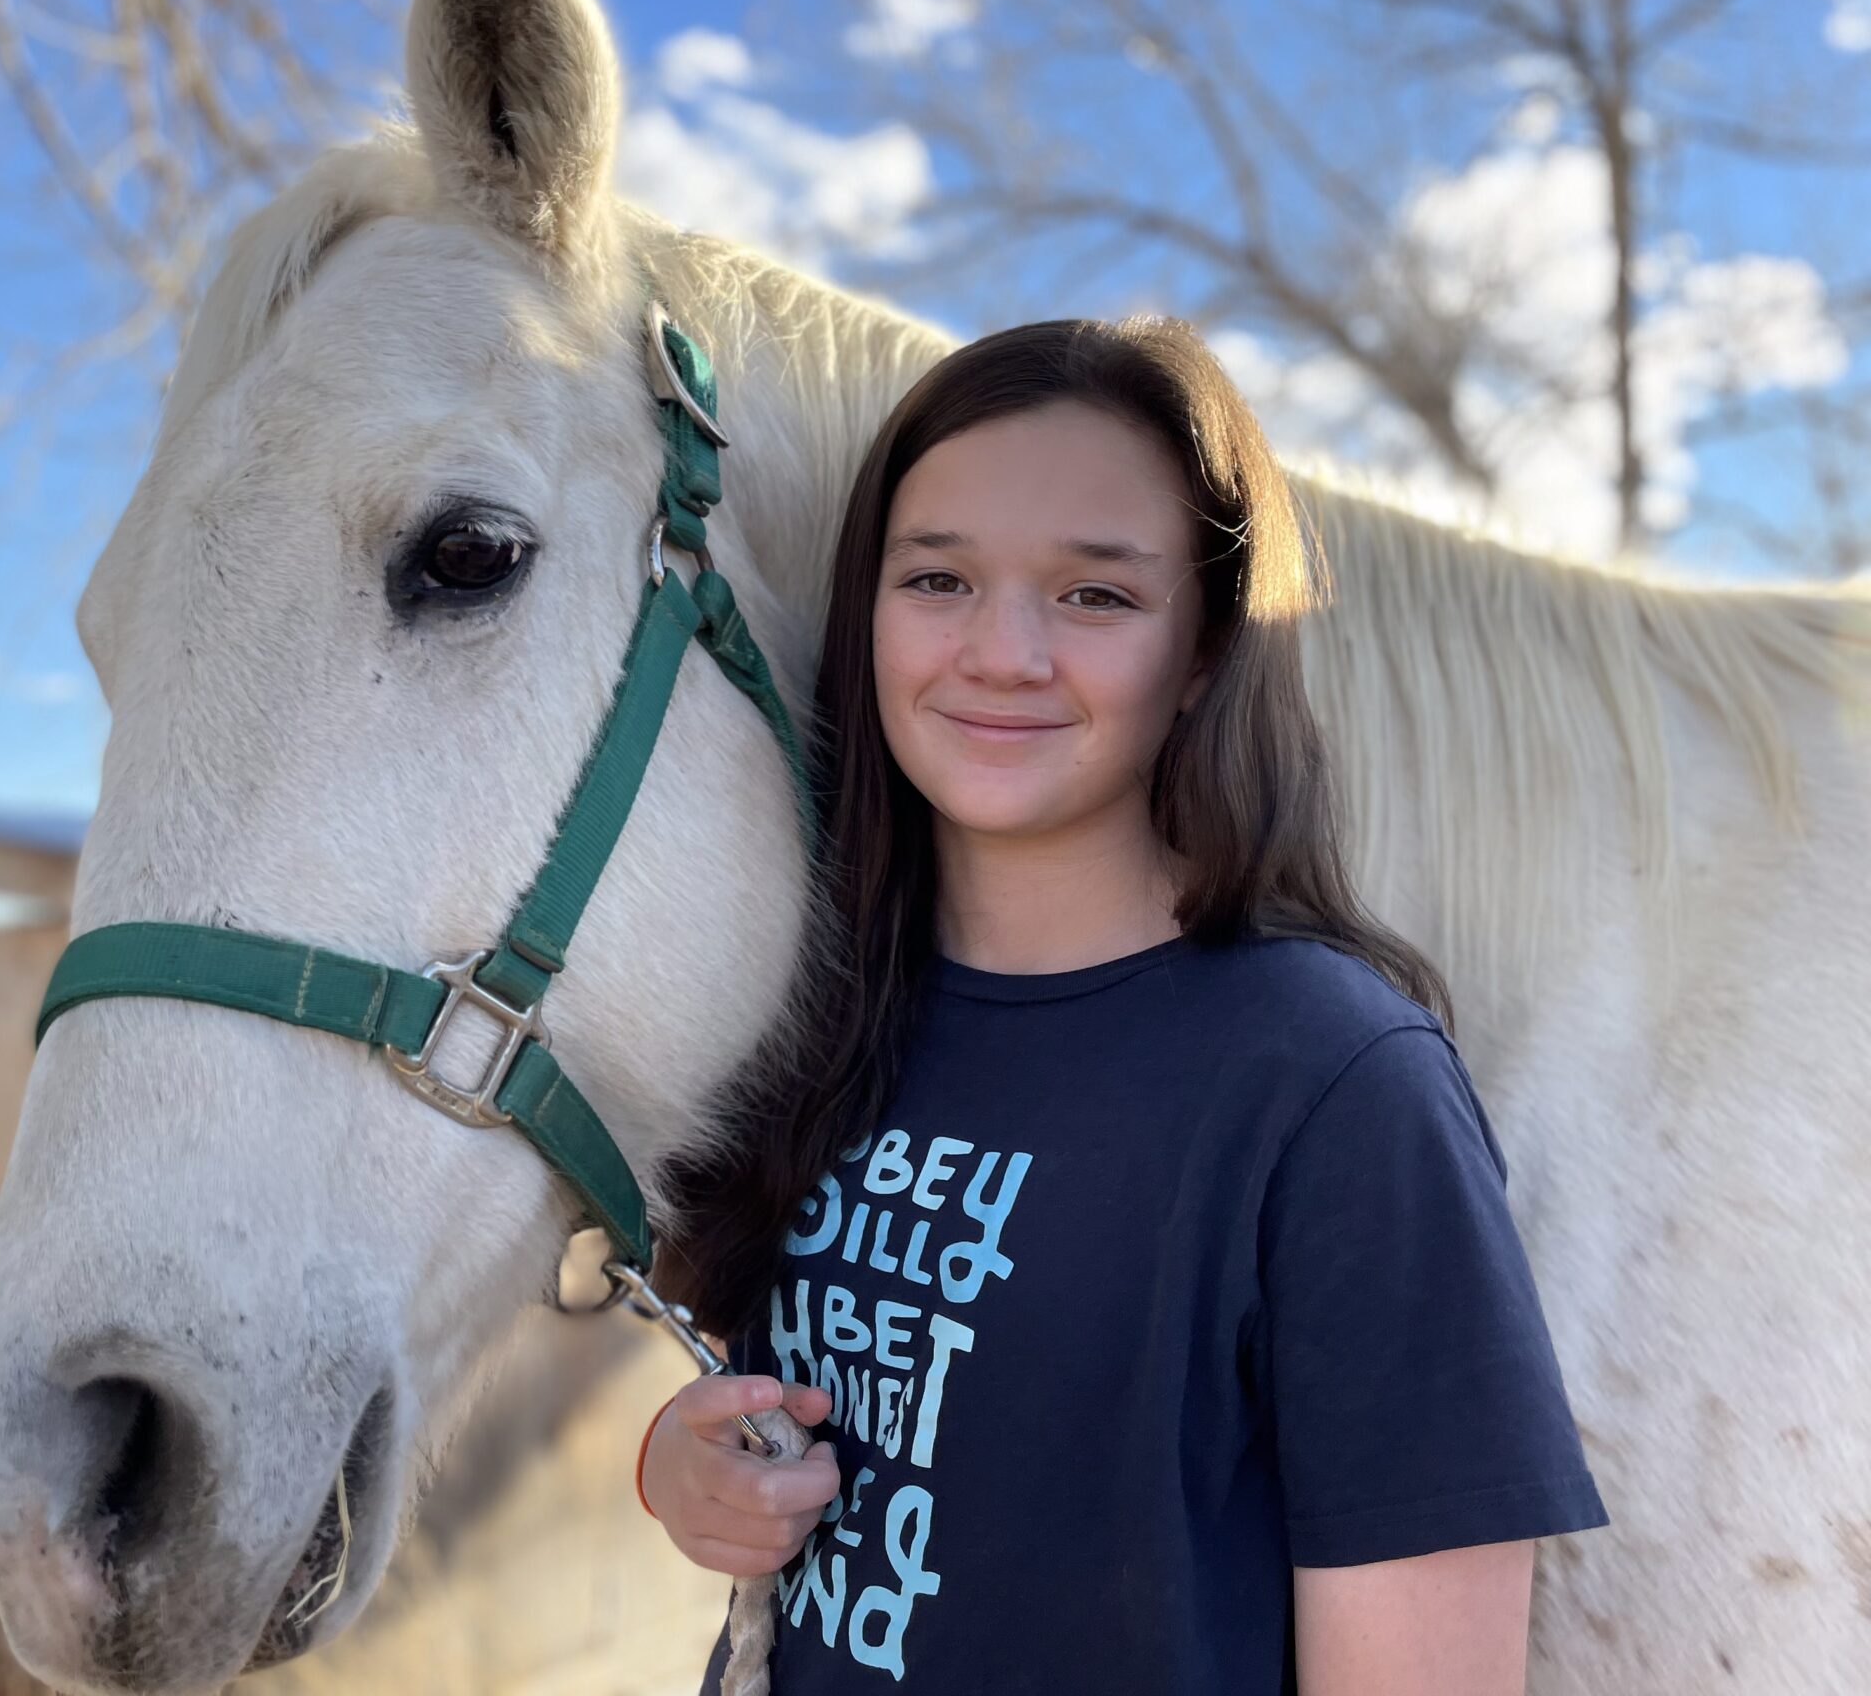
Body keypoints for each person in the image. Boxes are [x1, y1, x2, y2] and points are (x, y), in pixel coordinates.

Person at [638, 318, 1607, 1693]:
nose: (1002, 652)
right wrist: (680, 1467)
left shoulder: (1341, 1090)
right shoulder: (824, 1017)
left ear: (1205, 649)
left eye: (1095, 595)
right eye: (937, 579)